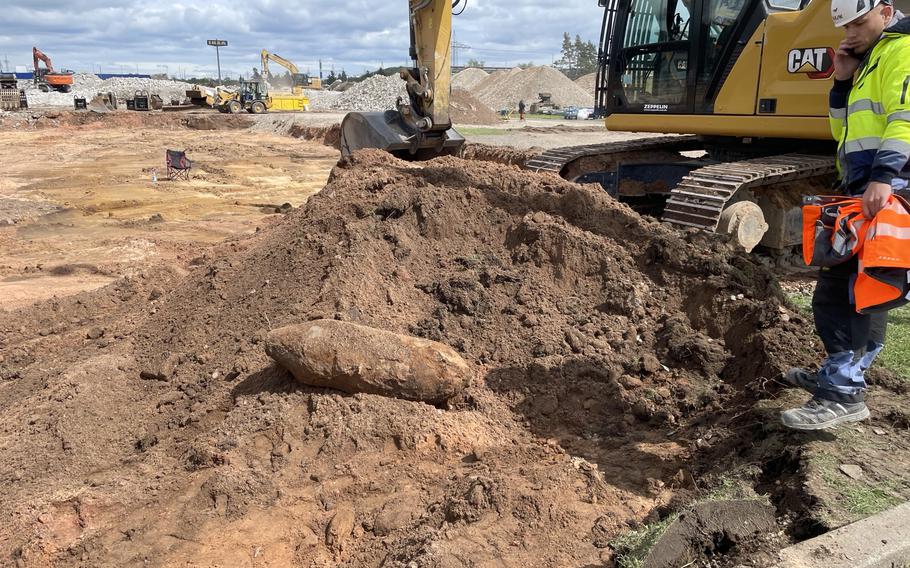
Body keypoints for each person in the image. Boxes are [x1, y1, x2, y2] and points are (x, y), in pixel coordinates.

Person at [781, 0, 910, 430]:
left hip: (888, 188)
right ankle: (842, 374)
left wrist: (885, 176)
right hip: (865, 188)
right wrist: (840, 82)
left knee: (852, 290)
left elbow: (905, 117)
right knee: (852, 288)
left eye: (859, 22)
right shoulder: (869, 60)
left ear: (886, 12)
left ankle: (844, 393)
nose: (851, 33)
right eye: (844, 26)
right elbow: (844, 131)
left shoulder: (902, 51)